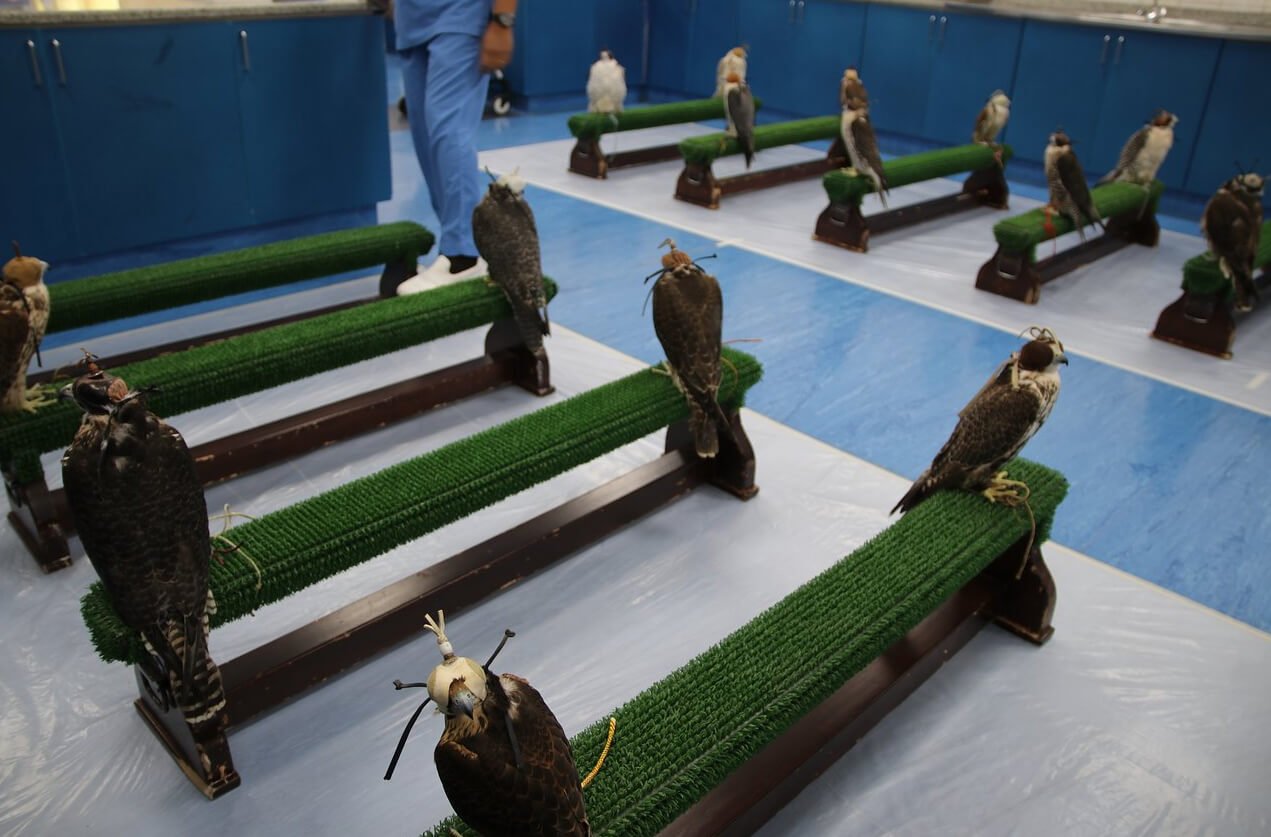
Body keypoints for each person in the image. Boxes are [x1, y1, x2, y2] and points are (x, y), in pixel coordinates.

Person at [394, 0, 518, 294]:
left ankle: (463, 254)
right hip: (411, 19)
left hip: (459, 14)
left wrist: (503, 20)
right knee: (426, 139)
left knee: (448, 129)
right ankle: (453, 243)